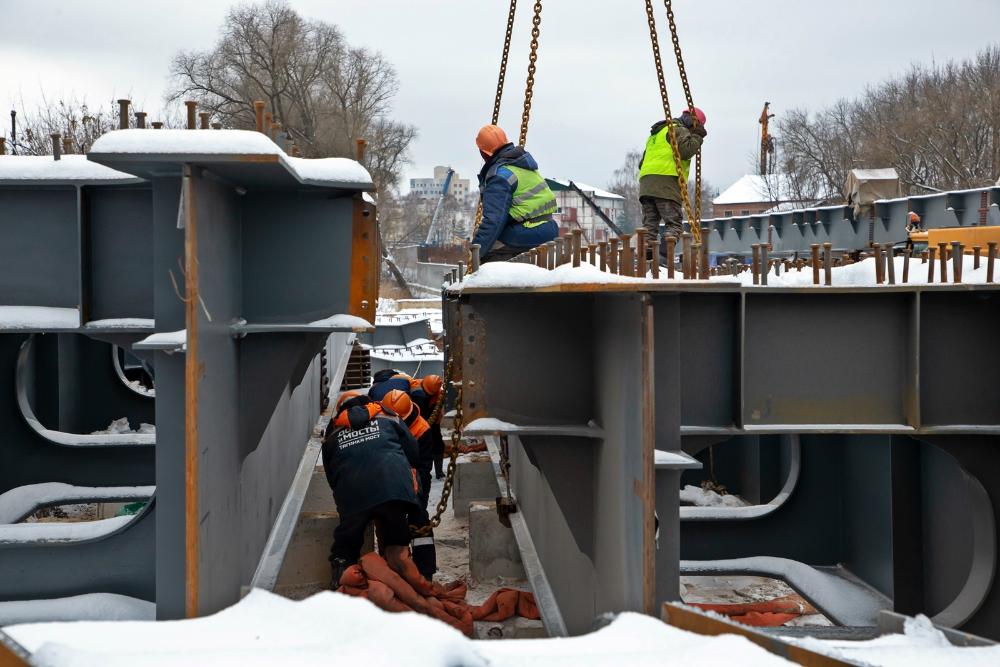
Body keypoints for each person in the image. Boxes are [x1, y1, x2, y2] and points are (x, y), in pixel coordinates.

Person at [323, 391, 421, 586]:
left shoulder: (333, 432)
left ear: (341, 410)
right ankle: (401, 575)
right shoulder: (389, 416)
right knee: (396, 535)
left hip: (353, 491)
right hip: (393, 487)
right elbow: (412, 452)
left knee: (347, 540)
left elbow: (331, 474)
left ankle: (342, 576)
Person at [473, 125, 559, 263]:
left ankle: (497, 280)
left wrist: (475, 253)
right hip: (550, 228)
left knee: (488, 249)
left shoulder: (499, 176)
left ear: (484, 153)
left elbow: (493, 221)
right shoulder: (522, 164)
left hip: (527, 232)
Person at [638, 108, 707, 262]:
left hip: (646, 185)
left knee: (649, 226)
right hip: (666, 184)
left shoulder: (656, 134)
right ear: (694, 123)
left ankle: (647, 261)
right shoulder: (679, 130)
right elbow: (686, 151)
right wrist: (697, 136)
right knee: (674, 223)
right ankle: (662, 258)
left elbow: (641, 163)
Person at [381, 389, 436, 578]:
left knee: (420, 520)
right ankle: (392, 567)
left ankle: (426, 570)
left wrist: (419, 497)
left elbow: (423, 469)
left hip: (413, 476)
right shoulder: (382, 421)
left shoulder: (421, 430)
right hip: (390, 477)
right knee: (390, 521)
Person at [411, 375, 446, 479]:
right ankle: (421, 472)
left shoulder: (438, 393)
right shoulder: (416, 390)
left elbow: (438, 410)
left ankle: (439, 472)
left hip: (431, 414)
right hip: (416, 416)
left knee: (438, 442)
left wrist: (436, 421)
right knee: (422, 445)